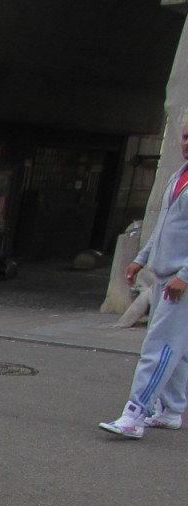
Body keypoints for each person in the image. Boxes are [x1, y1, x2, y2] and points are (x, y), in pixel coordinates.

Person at [99, 121, 188, 439]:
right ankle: (171, 410)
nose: (187, 143)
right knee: (176, 349)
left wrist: (185, 275)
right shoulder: (180, 175)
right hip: (166, 275)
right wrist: (141, 258)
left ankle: (135, 414)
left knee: (160, 347)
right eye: (185, 136)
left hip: (181, 281)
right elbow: (165, 226)